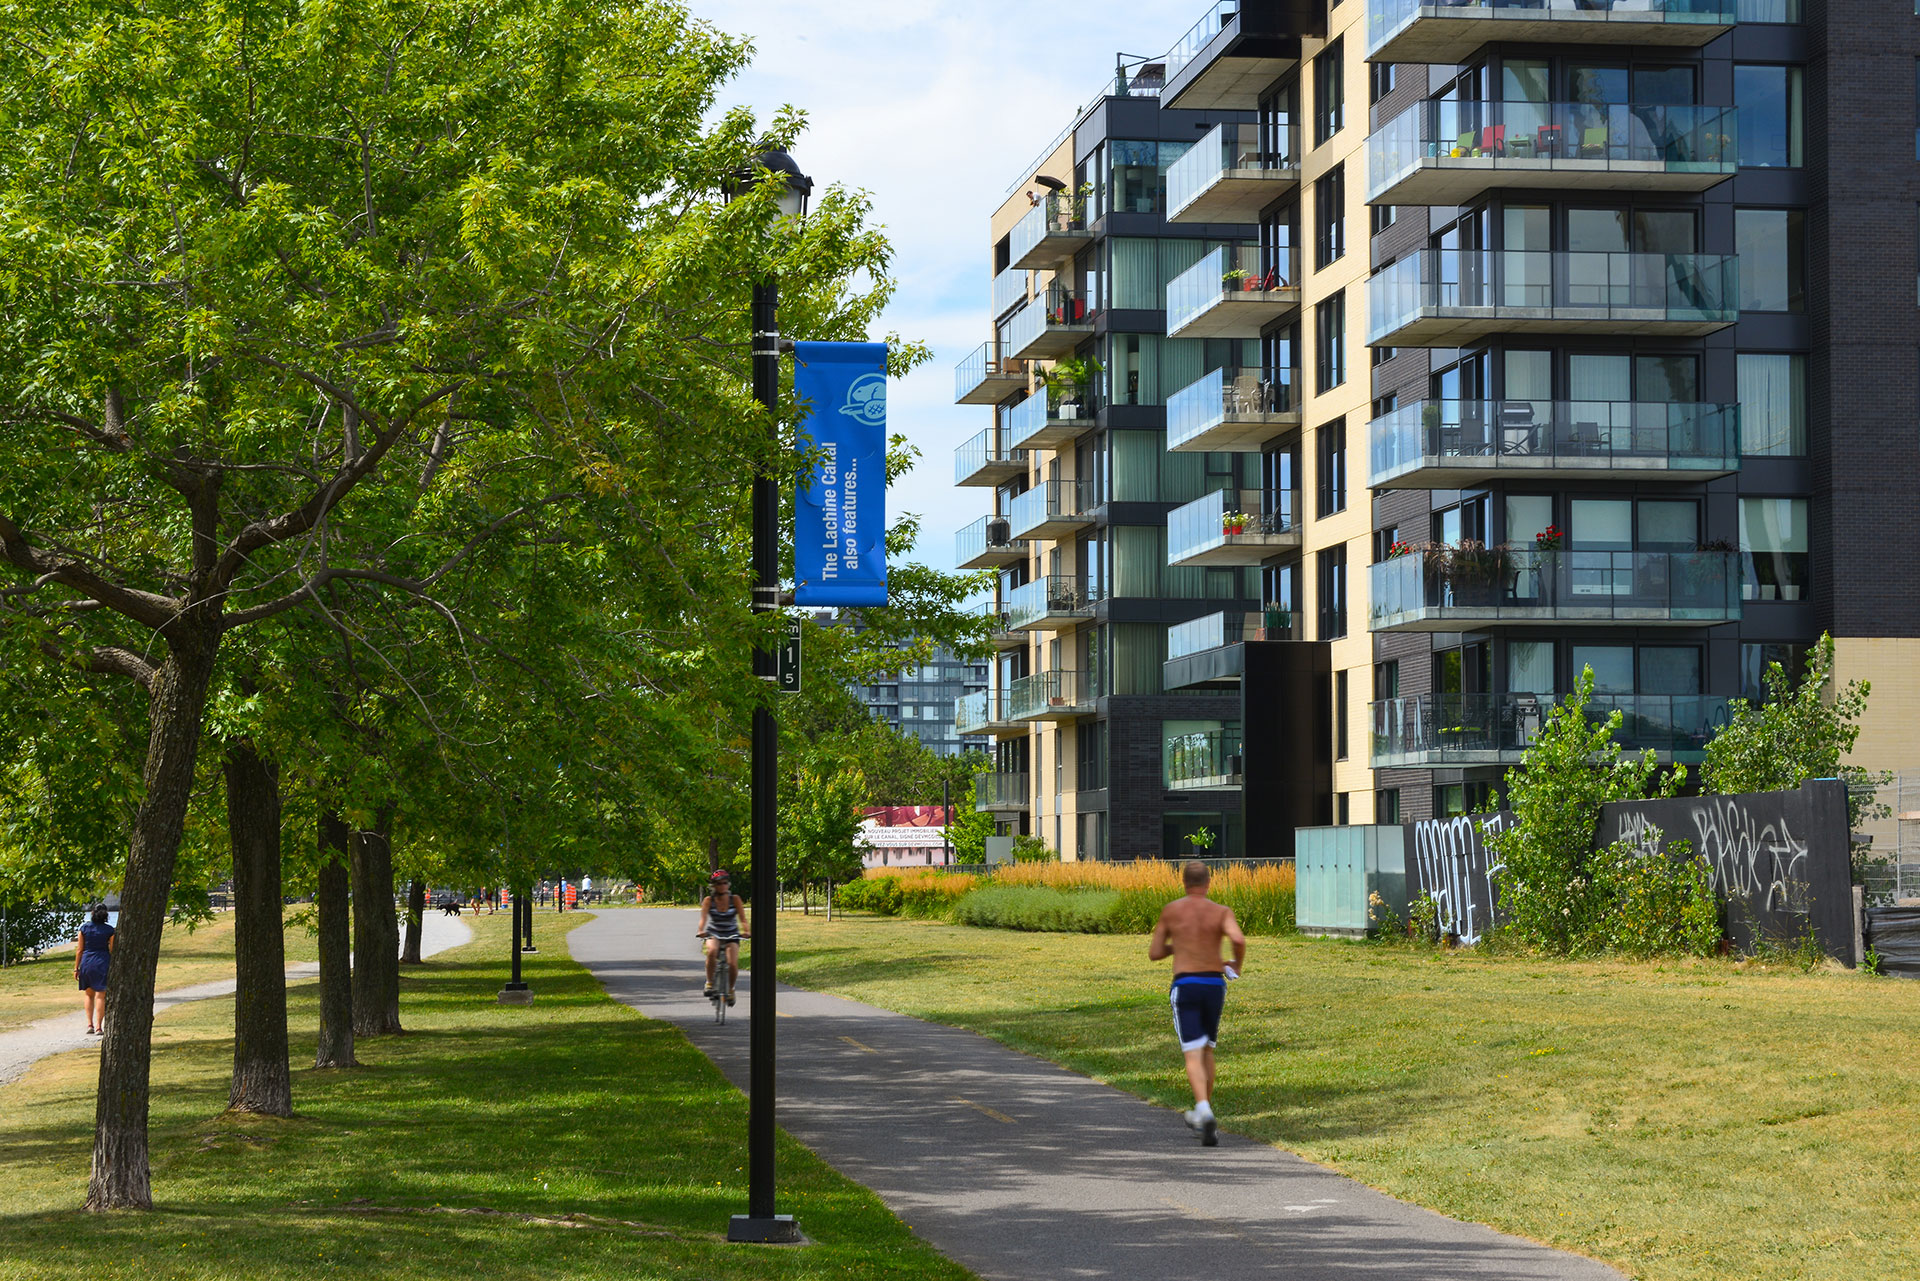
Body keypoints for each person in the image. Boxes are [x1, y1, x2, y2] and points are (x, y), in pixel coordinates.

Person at [1147, 860, 1246, 1146]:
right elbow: (1238, 939)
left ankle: (1203, 1110)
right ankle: (1206, 1112)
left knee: (1192, 1052)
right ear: (1208, 882)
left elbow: (1155, 953)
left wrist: (1177, 945)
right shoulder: (1221, 911)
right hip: (1215, 985)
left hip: (1186, 984)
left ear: (1183, 882)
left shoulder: (1172, 910)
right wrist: (1235, 965)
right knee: (1207, 1050)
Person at [697, 870, 750, 1005]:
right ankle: (709, 982)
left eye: (725, 883)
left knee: (732, 962)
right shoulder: (709, 900)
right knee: (712, 951)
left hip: (732, 933)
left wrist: (746, 931)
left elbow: (742, 918)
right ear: (714, 885)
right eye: (719, 883)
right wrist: (700, 930)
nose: (722, 886)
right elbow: (703, 919)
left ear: (728, 884)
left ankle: (731, 989)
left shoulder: (735, 899)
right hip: (714, 932)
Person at [74, 905, 115, 1036]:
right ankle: (99, 1027)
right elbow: (112, 950)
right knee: (101, 995)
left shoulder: (84, 928)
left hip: (87, 961)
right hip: (103, 961)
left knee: (88, 994)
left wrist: (76, 968)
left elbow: (79, 950)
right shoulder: (109, 930)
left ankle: (89, 1024)